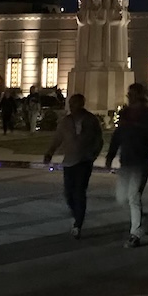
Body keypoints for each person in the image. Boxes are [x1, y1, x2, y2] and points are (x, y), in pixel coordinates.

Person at [43, 94, 104, 238]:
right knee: (68, 193)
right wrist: (49, 152)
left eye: (74, 103)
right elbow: (58, 138)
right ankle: (76, 213)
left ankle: (78, 224)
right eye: (70, 104)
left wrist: (93, 155)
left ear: (82, 104)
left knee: (79, 192)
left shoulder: (91, 120)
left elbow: (99, 140)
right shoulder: (66, 121)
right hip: (69, 161)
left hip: (84, 161)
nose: (71, 106)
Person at [105, 83, 148, 247]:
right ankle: (143, 218)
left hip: (141, 161)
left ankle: (136, 233)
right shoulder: (125, 113)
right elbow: (117, 136)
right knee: (122, 198)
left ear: (140, 95)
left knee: (133, 197)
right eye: (129, 94)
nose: (130, 97)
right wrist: (110, 155)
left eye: (133, 94)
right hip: (126, 161)